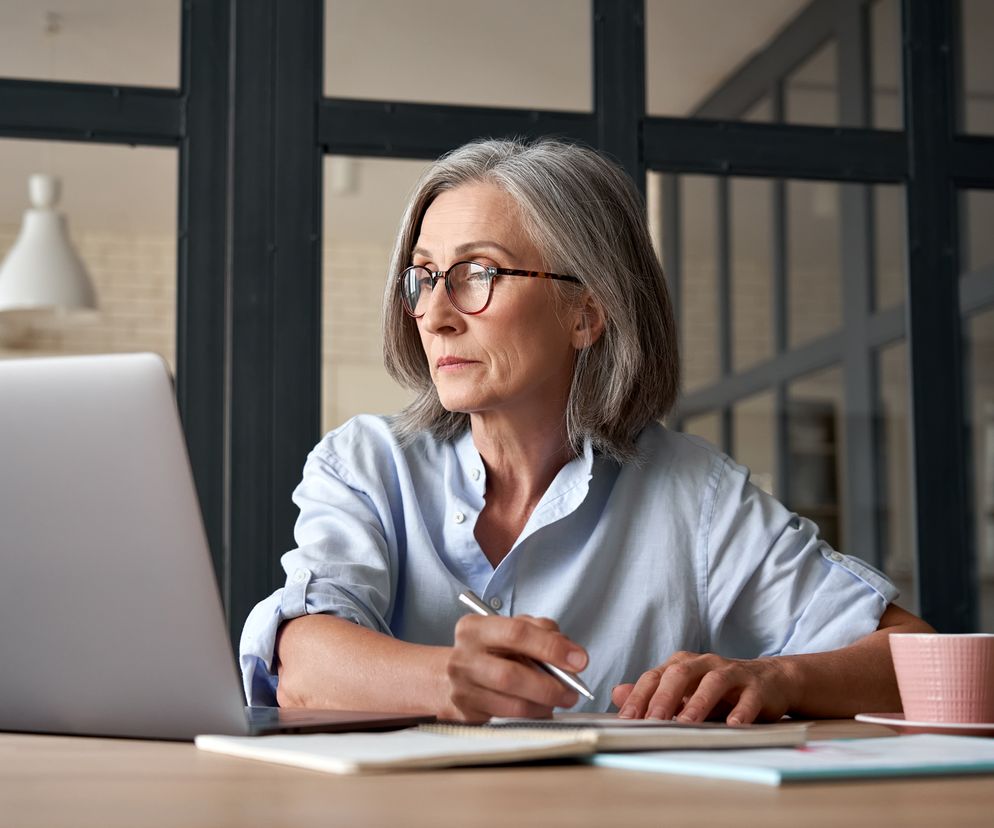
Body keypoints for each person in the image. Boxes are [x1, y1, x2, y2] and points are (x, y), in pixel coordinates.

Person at [240, 137, 933, 724]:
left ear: (586, 313)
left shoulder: (696, 495)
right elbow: (300, 661)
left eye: (476, 273)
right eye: (423, 277)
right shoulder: (366, 463)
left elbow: (918, 659)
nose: (437, 313)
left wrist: (778, 680)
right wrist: (448, 680)